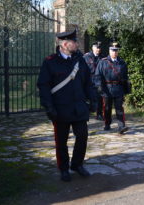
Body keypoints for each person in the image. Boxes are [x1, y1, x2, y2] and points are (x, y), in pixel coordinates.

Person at [37, 29, 96, 182]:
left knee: (82, 137)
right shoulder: (50, 62)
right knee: (61, 141)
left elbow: (88, 83)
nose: (77, 44)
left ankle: (77, 164)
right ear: (64, 44)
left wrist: (93, 100)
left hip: (79, 108)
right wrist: (48, 107)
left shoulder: (80, 60)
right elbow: (43, 86)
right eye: (74, 42)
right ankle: (64, 168)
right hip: (60, 109)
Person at [95, 41, 130, 134]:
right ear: (109, 51)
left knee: (119, 108)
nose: (114, 52)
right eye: (112, 50)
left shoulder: (122, 63)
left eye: (116, 50)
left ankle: (121, 126)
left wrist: (126, 87)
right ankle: (107, 123)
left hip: (118, 88)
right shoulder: (103, 62)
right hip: (107, 88)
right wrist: (99, 86)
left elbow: (125, 76)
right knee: (107, 108)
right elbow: (98, 75)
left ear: (118, 51)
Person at [83, 41, 104, 120]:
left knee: (99, 98)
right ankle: (87, 113)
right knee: (88, 98)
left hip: (99, 80)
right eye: (97, 48)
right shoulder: (86, 57)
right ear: (93, 48)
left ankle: (99, 114)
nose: (98, 49)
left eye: (99, 48)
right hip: (89, 80)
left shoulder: (102, 57)